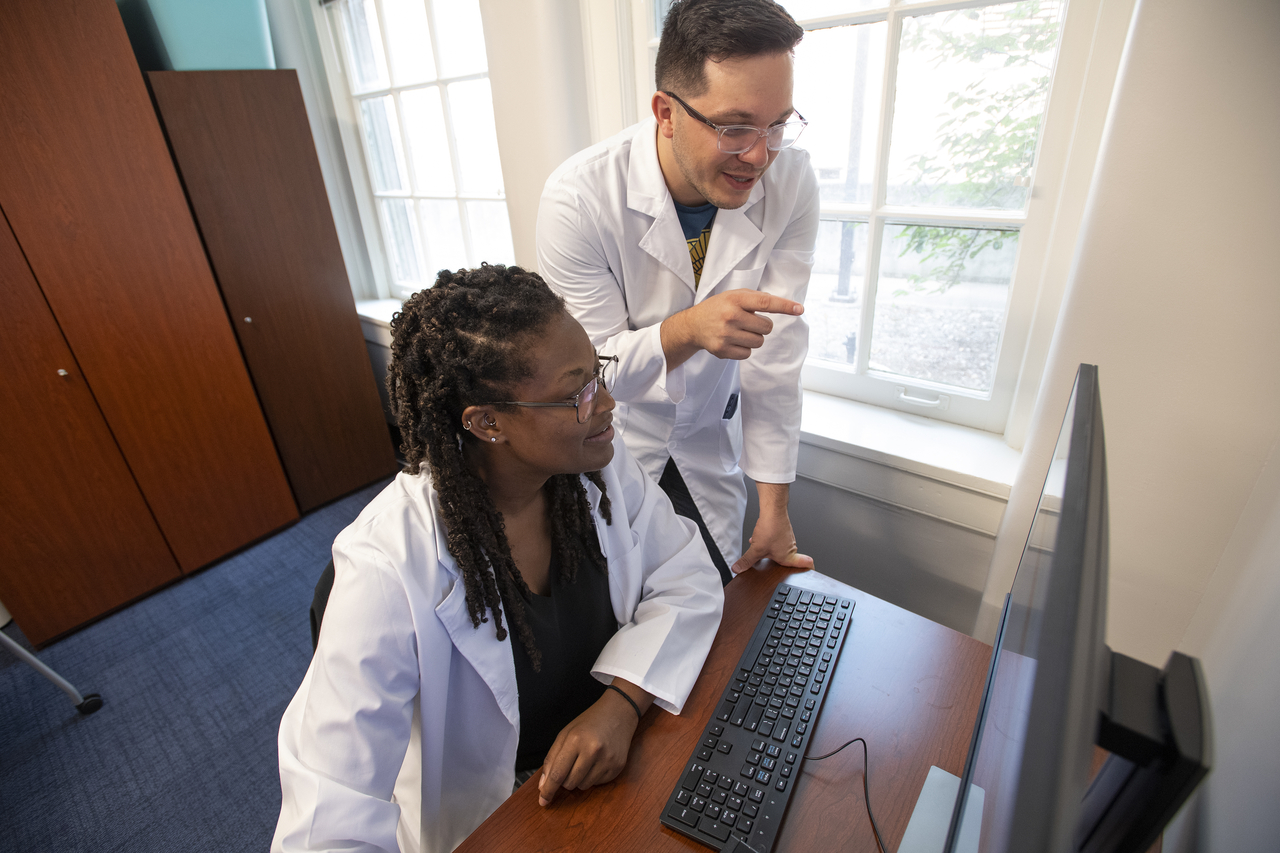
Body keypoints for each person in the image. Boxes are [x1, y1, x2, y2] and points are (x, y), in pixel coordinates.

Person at [272, 265, 724, 853]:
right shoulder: (386, 568)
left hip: (612, 764)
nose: (609, 404)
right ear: (487, 423)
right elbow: (328, 811)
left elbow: (687, 576)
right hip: (496, 820)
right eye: (578, 392)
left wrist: (621, 702)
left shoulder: (599, 470)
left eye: (599, 374)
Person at [537, 0, 818, 586]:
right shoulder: (580, 199)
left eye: (777, 125)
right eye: (735, 127)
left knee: (712, 603)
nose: (761, 154)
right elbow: (590, 378)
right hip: (614, 441)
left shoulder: (791, 181)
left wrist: (776, 510)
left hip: (709, 445)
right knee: (617, 606)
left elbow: (776, 358)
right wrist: (687, 329)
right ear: (666, 112)